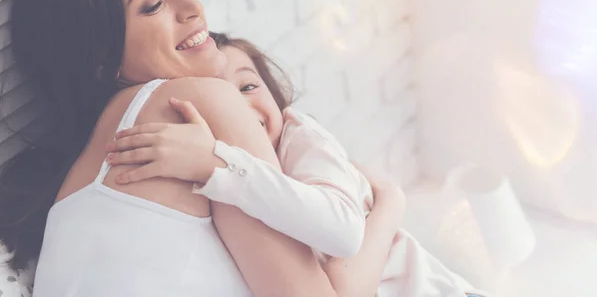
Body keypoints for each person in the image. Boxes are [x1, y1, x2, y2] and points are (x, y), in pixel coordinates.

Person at [0, 0, 398, 296]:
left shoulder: (87, 169)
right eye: (153, 4)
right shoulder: (195, 103)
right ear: (99, 59)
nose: (192, 5)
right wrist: (390, 207)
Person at [107, 34, 490, 297]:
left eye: (248, 87)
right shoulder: (244, 193)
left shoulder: (301, 139)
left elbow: (343, 248)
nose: (239, 108)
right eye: (220, 99)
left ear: (275, 96)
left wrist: (214, 166)